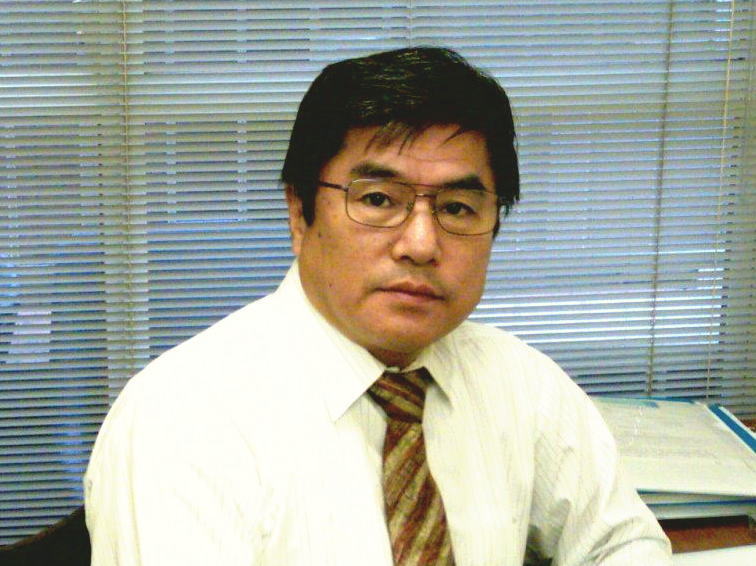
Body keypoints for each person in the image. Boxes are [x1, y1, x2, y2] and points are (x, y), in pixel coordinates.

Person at [84, 47, 672, 565]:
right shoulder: (181, 420)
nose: (421, 244)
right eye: (378, 199)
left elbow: (622, 543)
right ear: (299, 213)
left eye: (458, 208)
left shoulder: (520, 383)